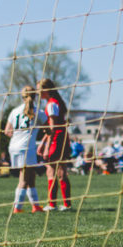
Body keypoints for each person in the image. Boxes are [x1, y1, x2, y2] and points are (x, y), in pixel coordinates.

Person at [4, 86, 43, 213]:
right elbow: (50, 127)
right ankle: (17, 207)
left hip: (13, 146)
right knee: (24, 179)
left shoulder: (14, 111)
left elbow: (7, 131)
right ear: (35, 96)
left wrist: (18, 136)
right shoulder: (38, 112)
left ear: (22, 97)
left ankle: (35, 206)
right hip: (26, 147)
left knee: (31, 175)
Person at [37, 79, 71, 211]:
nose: (38, 92)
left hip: (57, 140)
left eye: (40, 89)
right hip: (60, 138)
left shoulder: (52, 104)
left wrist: (46, 147)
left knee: (52, 171)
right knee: (60, 171)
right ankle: (65, 204)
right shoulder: (55, 103)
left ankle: (53, 204)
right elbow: (53, 127)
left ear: (47, 90)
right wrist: (42, 143)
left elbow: (52, 128)